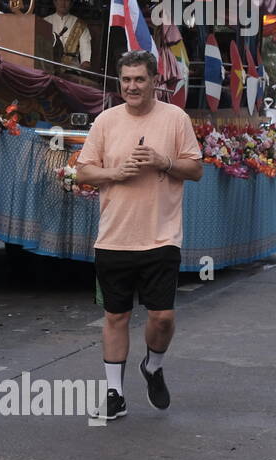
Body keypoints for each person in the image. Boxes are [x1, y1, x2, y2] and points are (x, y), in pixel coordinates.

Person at [76, 51, 203, 421]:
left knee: (162, 317)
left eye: (140, 79)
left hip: (161, 237)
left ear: (154, 81)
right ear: (120, 83)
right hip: (114, 238)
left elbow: (195, 169)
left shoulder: (175, 118)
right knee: (115, 316)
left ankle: (153, 365)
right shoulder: (105, 121)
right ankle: (114, 394)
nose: (132, 86)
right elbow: (83, 173)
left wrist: (163, 162)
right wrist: (116, 173)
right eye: (126, 80)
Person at [45, 0, 92, 69]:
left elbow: (85, 46)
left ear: (71, 3)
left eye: (67, 0)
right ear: (55, 2)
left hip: (71, 68)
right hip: (48, 65)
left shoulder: (80, 25)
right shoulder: (45, 21)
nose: (63, 3)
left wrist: (85, 61)